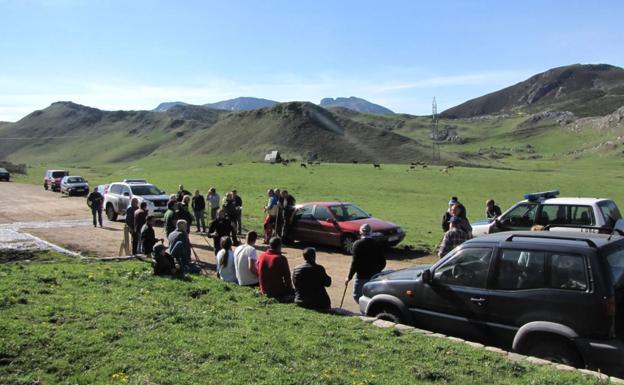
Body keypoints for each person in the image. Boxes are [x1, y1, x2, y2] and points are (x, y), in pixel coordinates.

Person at [345, 224, 386, 303]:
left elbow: (355, 263)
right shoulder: (377, 244)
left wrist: (349, 277)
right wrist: (377, 271)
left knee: (358, 296)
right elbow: (383, 262)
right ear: (371, 232)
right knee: (372, 297)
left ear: (360, 233)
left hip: (361, 277)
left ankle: (363, 312)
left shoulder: (357, 244)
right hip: (374, 277)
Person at [257, 237, 294, 302]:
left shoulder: (261, 256)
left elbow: (257, 269)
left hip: (263, 289)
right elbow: (287, 277)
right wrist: (290, 289)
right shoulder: (281, 258)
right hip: (277, 292)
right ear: (279, 246)